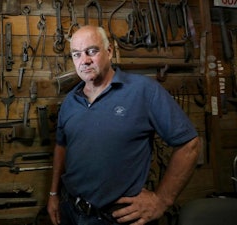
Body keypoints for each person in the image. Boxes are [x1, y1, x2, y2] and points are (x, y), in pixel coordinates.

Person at [47, 25, 201, 225]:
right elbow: (62, 146)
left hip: (117, 218)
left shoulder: (144, 90)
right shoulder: (70, 101)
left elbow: (190, 144)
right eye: (76, 54)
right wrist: (53, 194)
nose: (84, 60)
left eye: (92, 51)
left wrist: (162, 200)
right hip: (70, 211)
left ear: (109, 51)